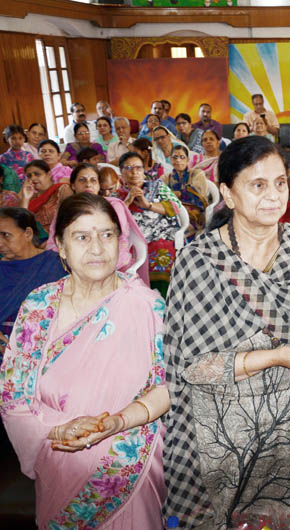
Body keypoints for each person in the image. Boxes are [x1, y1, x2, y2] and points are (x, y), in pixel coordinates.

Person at [161, 135, 290, 529]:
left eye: (280, 183)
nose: (273, 196)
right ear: (227, 194)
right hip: (227, 434)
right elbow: (192, 369)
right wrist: (273, 356)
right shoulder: (198, 261)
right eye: (257, 185)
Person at [0, 192, 169, 529]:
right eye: (82, 237)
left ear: (121, 244)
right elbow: (12, 394)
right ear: (60, 246)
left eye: (107, 235)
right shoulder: (39, 306)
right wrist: (57, 429)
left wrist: (117, 423)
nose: (96, 247)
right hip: (60, 459)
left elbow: (167, 386)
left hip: (130, 466)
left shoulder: (147, 306)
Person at [0, 207, 66, 352]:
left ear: (28, 234)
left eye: (6, 235)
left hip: (45, 348)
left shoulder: (56, 265)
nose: (0, 243)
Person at [118, 151, 181, 295]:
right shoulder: (117, 194)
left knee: (161, 252)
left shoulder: (158, 187)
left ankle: (164, 300)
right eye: (128, 168)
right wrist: (127, 201)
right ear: (121, 173)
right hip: (130, 242)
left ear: (144, 170)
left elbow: (175, 208)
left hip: (159, 235)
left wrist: (148, 205)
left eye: (138, 167)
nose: (134, 172)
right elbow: (113, 220)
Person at [163, 144, 209, 239]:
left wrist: (180, 194)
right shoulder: (167, 177)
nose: (178, 160)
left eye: (182, 157)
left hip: (194, 211)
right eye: (175, 157)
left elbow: (200, 197)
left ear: (187, 160)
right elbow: (160, 192)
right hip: (173, 210)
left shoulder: (197, 174)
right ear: (171, 160)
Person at [15, 160, 72, 233]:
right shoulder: (30, 196)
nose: (32, 178)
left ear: (49, 174)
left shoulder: (62, 189)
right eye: (29, 176)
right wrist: (25, 198)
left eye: (37, 174)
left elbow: (70, 216)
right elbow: (22, 223)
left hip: (56, 235)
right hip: (33, 236)